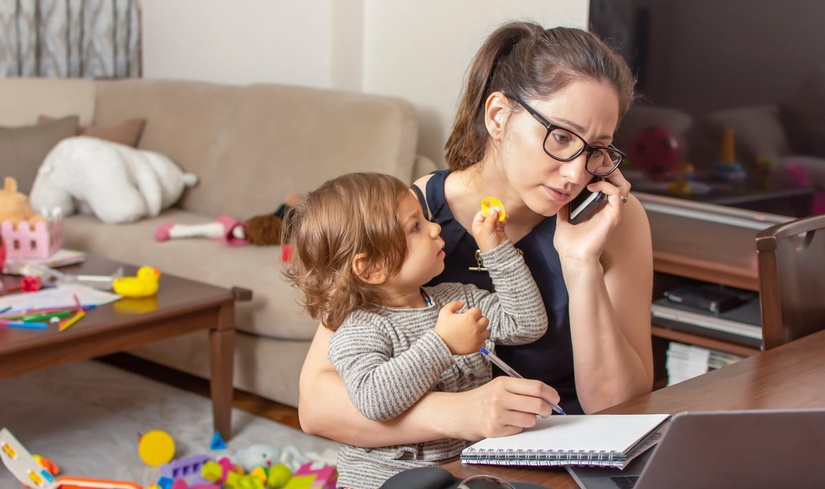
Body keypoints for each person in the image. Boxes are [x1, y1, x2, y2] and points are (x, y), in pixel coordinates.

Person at [298, 21, 654, 454]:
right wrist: (461, 412)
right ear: (498, 115)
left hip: (574, 454)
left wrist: (580, 264)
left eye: (597, 148)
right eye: (561, 137)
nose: (576, 173)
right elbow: (316, 405)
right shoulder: (419, 215)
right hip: (456, 460)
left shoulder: (618, 222)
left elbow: (620, 412)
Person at [284, 172, 548, 488]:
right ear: (371, 267)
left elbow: (527, 324)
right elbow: (374, 401)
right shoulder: (358, 328)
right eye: (416, 227)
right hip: (384, 481)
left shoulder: (457, 298)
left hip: (457, 475)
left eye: (425, 219)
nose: (436, 228)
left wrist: (496, 248)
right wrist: (442, 344)